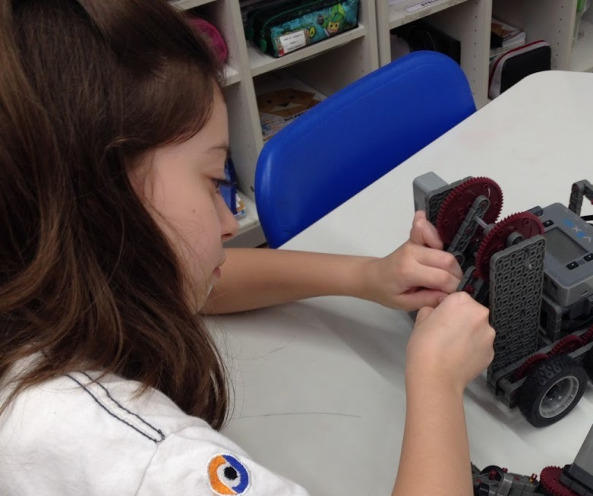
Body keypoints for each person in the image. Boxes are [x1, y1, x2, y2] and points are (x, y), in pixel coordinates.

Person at [0, 1, 495, 495]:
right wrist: (437, 381)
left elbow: (205, 278)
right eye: (213, 179)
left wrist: (367, 276)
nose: (228, 223)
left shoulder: (37, 284)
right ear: (104, 199)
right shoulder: (153, 465)